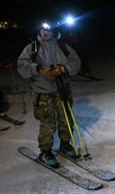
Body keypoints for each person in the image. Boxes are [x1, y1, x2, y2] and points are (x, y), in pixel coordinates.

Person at [17, 21, 81, 168]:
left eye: (48, 29)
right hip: (43, 92)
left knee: (66, 119)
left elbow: (76, 62)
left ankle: (65, 144)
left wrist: (64, 68)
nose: (44, 31)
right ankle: (45, 151)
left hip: (63, 89)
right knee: (48, 124)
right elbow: (21, 66)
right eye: (42, 28)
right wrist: (38, 68)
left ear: (55, 31)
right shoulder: (32, 48)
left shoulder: (62, 46)